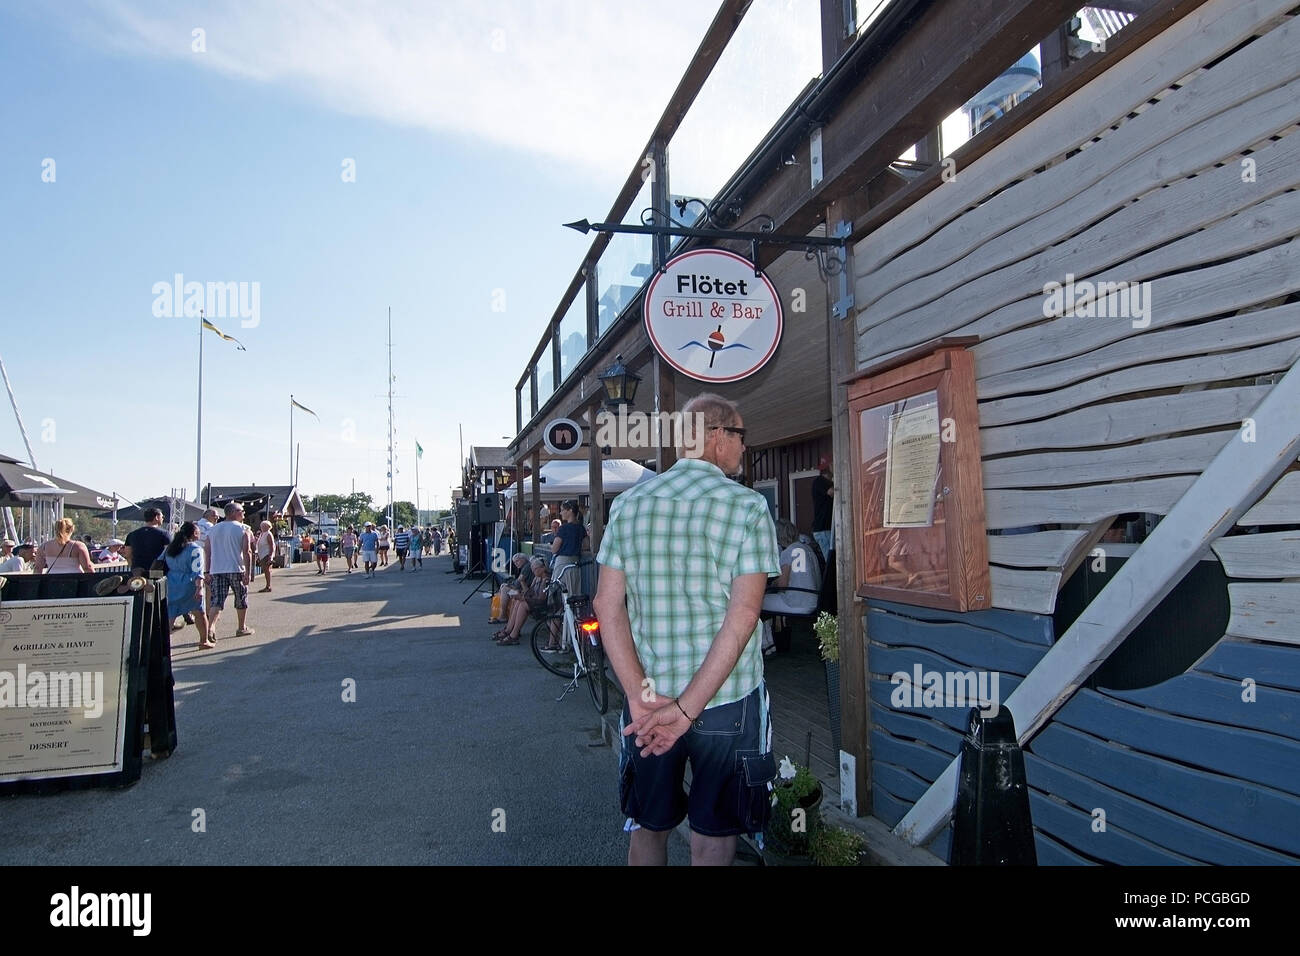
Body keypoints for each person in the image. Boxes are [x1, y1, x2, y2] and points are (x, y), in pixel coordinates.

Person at [593, 393, 779, 867]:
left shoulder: (629, 505)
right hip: (725, 703)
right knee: (714, 833)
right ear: (717, 437)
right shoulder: (748, 507)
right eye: (740, 437)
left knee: (648, 825)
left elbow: (606, 605)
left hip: (649, 700)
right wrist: (689, 709)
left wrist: (637, 696)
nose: (742, 449)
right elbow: (744, 615)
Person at [204, 502, 255, 641]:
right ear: (234, 512)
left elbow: (207, 551)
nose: (243, 514)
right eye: (242, 511)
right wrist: (248, 572)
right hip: (235, 568)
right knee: (241, 598)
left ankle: (211, 627)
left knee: (217, 600)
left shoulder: (213, 530)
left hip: (216, 569)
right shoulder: (244, 529)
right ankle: (241, 627)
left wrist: (207, 571)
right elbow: (247, 552)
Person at [164, 521, 213, 648]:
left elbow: (160, 561)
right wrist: (199, 588)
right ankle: (204, 641)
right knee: (199, 613)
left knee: (171, 614)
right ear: (194, 534)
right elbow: (198, 571)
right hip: (189, 584)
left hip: (172, 583)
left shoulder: (170, 548)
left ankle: (163, 645)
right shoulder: (195, 549)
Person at [493, 556, 551, 645]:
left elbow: (541, 598)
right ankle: (509, 629)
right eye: (532, 569)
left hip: (542, 604)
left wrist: (524, 597)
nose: (533, 571)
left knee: (523, 604)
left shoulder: (546, 579)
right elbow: (529, 592)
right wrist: (521, 595)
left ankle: (514, 635)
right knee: (518, 601)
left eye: (535, 569)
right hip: (535, 602)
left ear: (543, 568)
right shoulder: (536, 578)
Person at [123, 507, 172, 576]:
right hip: (157, 572)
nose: (163, 518)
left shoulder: (132, 534)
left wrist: (133, 568)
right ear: (157, 517)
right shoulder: (164, 534)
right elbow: (169, 554)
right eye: (162, 516)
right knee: (156, 586)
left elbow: (128, 554)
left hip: (137, 571)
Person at [550, 500, 587, 590]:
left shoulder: (563, 528)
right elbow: (586, 545)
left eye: (562, 510)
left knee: (559, 592)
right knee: (573, 591)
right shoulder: (580, 527)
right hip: (575, 563)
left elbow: (554, 549)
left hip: (562, 564)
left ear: (570, 510)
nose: (560, 512)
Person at [811, 456, 834, 561]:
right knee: (831, 562)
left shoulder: (828, 482)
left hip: (827, 529)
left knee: (833, 560)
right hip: (823, 529)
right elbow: (832, 492)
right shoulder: (820, 481)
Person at [255, 520, 276, 591]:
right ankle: (267, 585)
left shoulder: (268, 534)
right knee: (265, 570)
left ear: (268, 527)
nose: (262, 527)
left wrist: (270, 556)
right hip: (262, 554)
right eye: (261, 526)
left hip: (266, 554)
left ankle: (268, 586)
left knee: (267, 570)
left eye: (264, 526)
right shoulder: (262, 534)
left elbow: (272, 546)